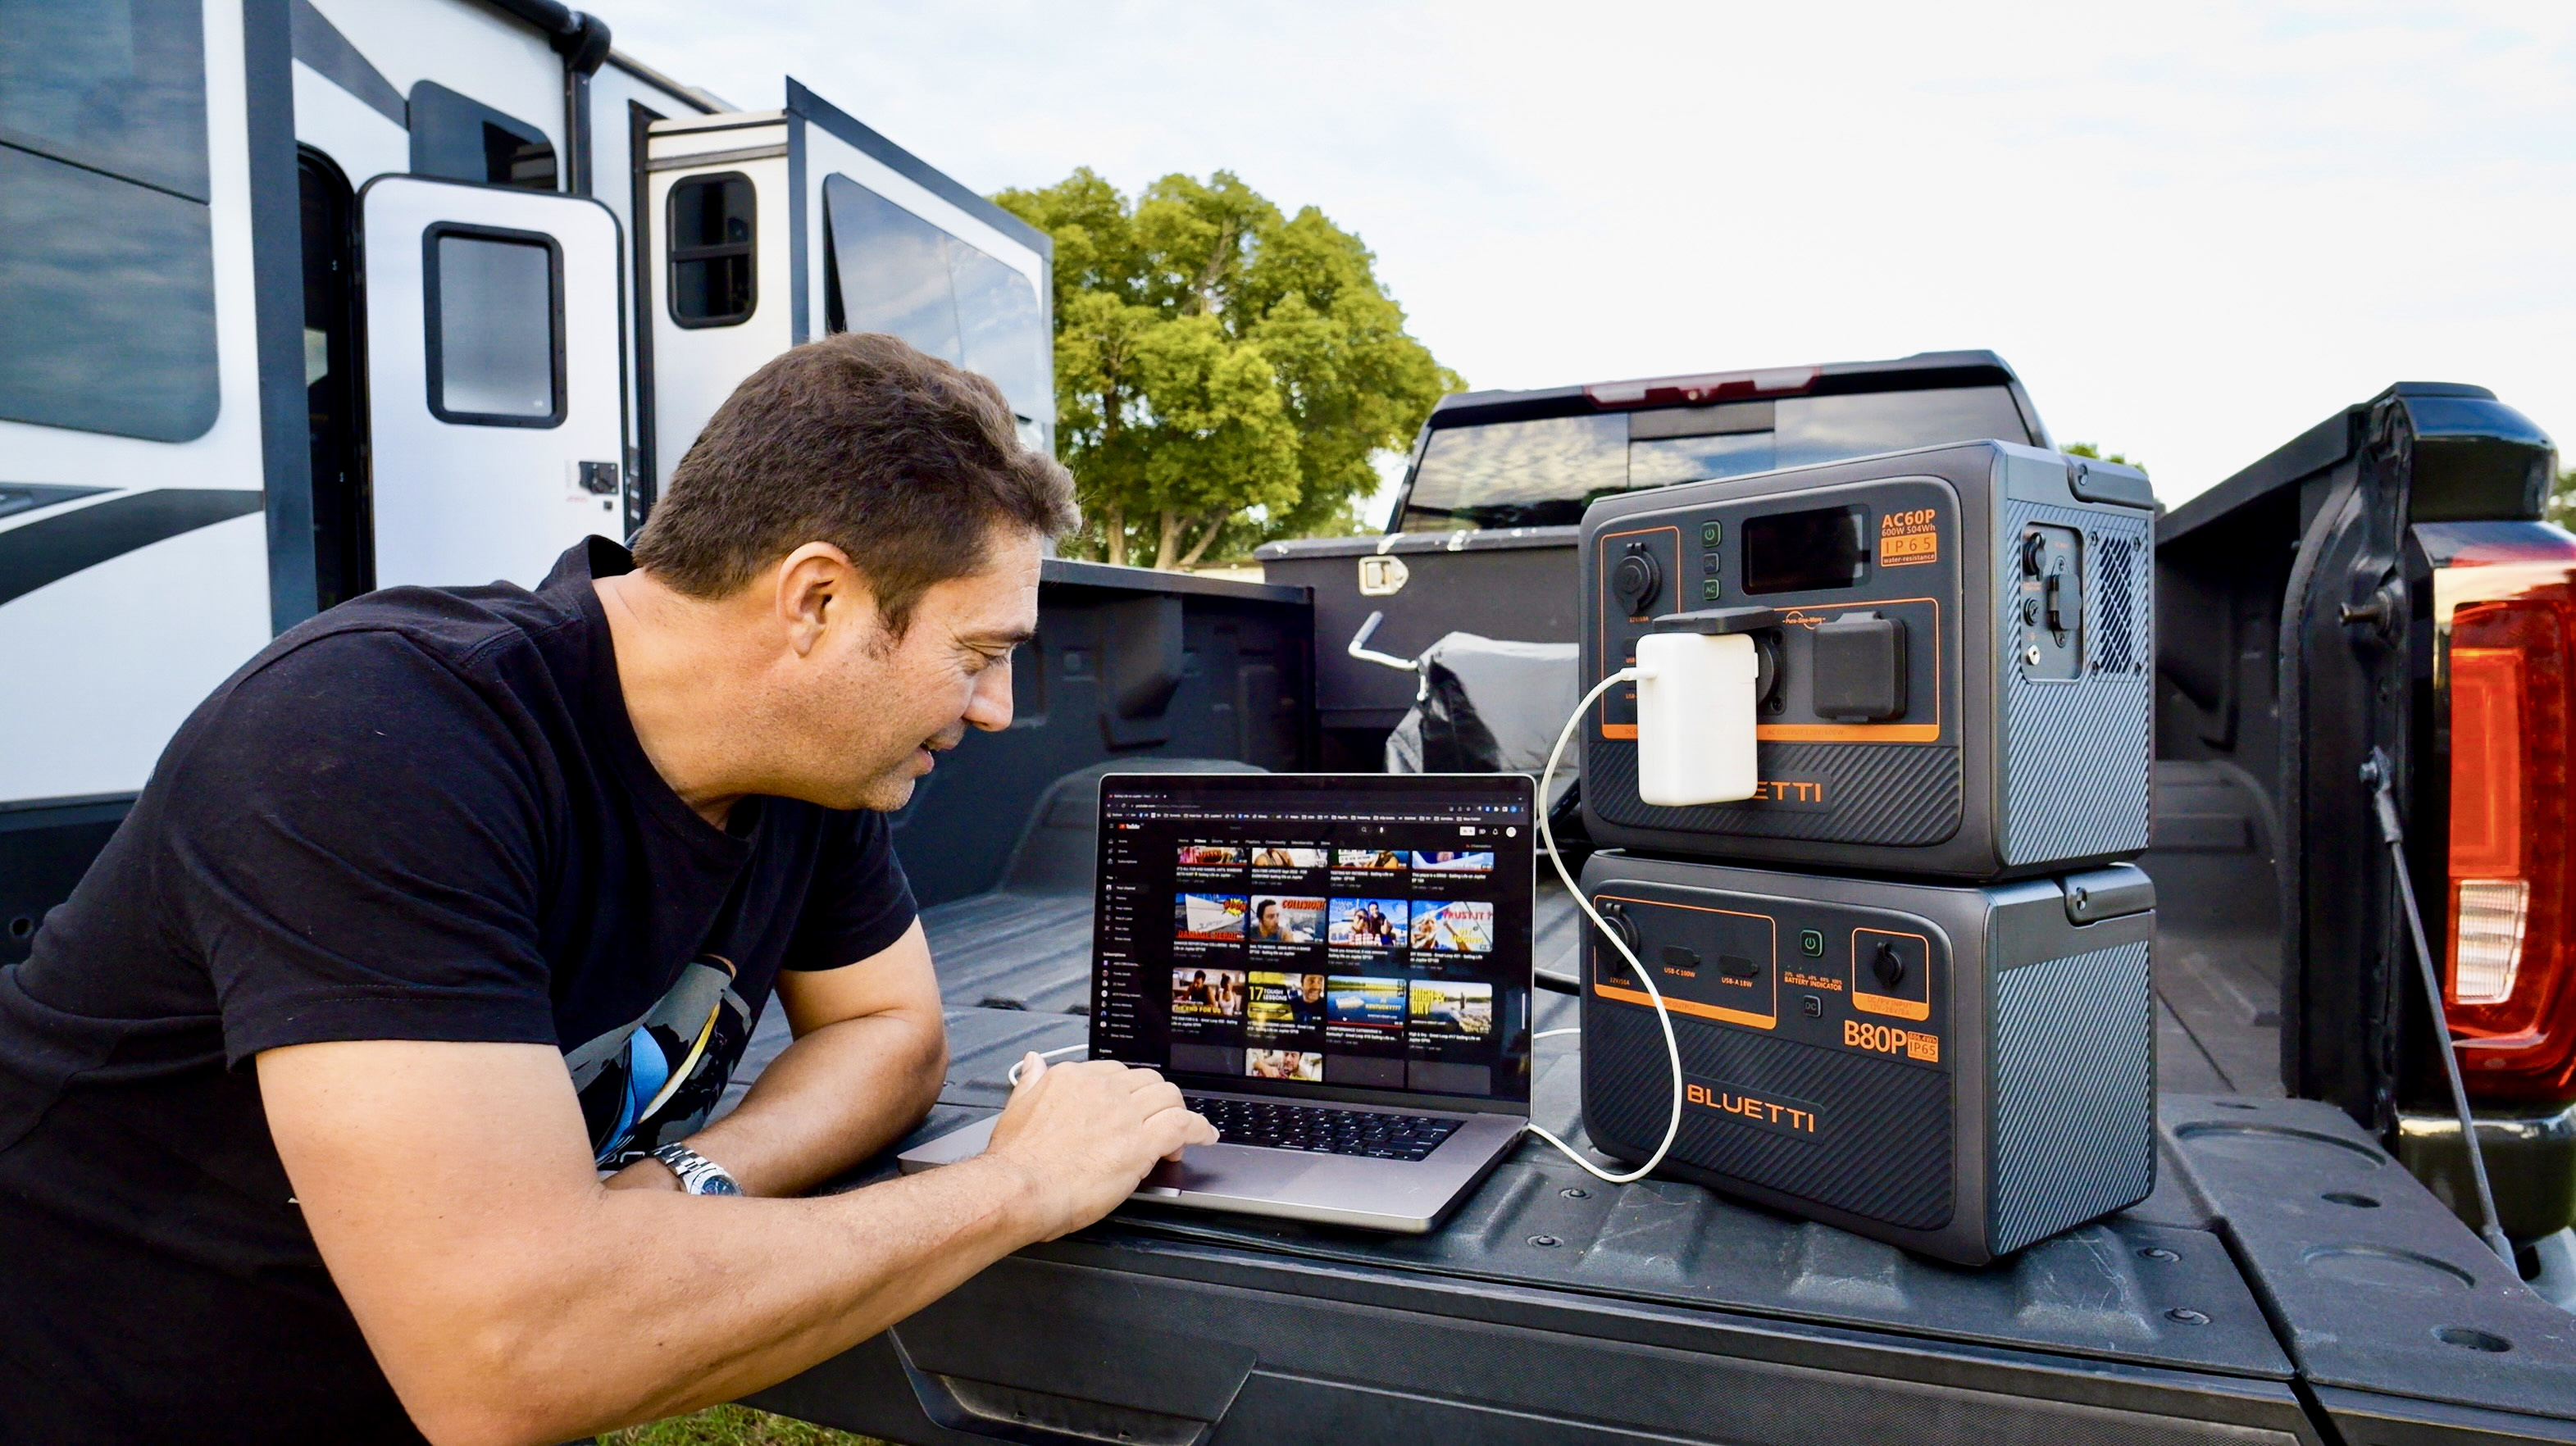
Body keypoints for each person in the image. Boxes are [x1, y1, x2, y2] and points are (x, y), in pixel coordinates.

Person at [0, 334, 1217, 1444]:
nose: (995, 708)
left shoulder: (810, 764)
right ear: (818, 602)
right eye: (977, 654)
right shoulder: (374, 737)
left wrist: (685, 1185)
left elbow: (893, 1034)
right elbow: (515, 1363)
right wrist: (1021, 1185)